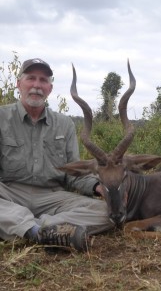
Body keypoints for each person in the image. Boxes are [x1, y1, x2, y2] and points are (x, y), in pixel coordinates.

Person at [0, 58, 114, 252]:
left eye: (43, 80)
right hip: (10, 193)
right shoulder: (2, 117)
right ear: (19, 84)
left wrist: (99, 186)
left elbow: (74, 173)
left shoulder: (64, 124)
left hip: (52, 197)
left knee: (109, 212)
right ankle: (42, 231)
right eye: (31, 78)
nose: (37, 85)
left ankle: (34, 228)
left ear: (50, 89)